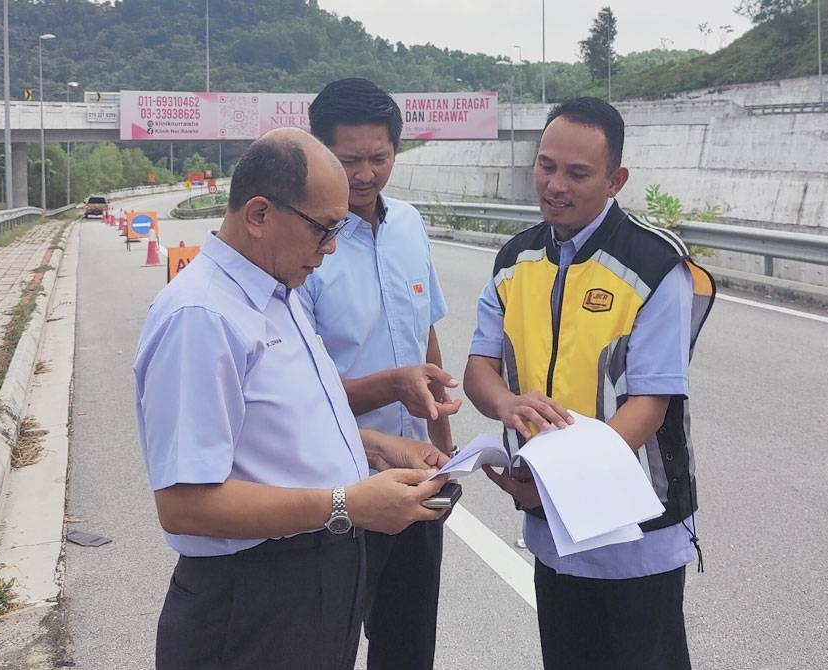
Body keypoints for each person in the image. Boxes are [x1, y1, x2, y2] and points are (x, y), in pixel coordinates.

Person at [133, 127, 451, 670]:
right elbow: (184, 503)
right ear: (259, 215)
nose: (330, 250)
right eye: (323, 230)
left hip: (308, 588)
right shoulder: (203, 318)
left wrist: (375, 446)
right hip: (252, 601)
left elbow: (289, 428)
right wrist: (346, 504)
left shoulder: (279, 293)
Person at [463, 97, 716, 670]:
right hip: (553, 528)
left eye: (578, 173)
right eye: (546, 166)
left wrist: (558, 485)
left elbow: (649, 404)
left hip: (637, 527)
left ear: (615, 179)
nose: (556, 184)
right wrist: (504, 402)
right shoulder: (514, 259)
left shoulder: (655, 266)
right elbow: (480, 370)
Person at [299, 77, 461, 670]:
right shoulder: (302, 244)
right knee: (324, 649)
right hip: (336, 487)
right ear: (318, 153)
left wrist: (445, 449)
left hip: (419, 481)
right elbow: (291, 389)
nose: (365, 174)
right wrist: (392, 384)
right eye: (348, 161)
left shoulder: (410, 226)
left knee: (409, 647)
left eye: (379, 158)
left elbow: (427, 337)